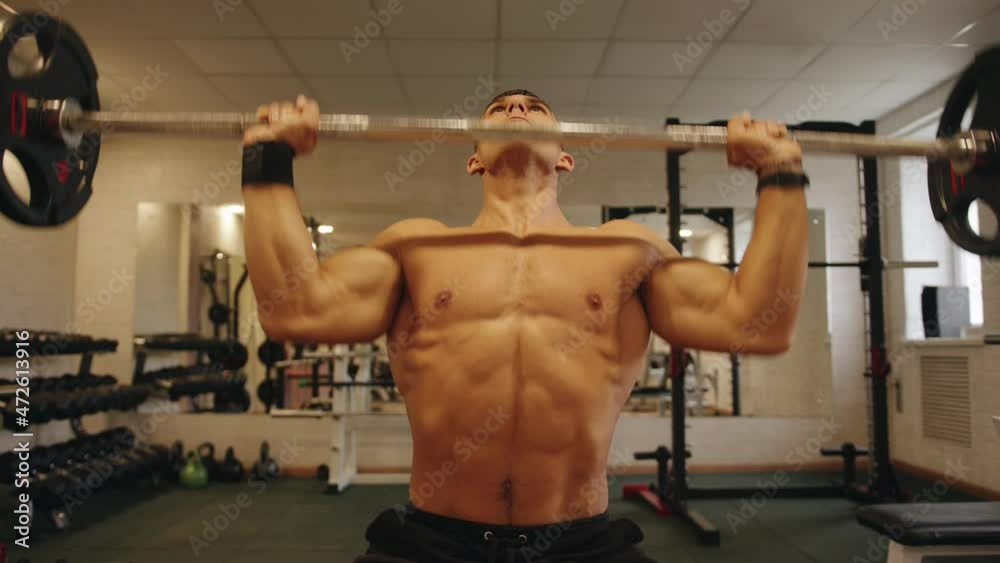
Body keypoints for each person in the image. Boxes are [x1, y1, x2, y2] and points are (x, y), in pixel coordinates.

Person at [239, 90, 809, 563]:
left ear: (565, 157)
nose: (516, 109)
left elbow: (756, 325)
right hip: (433, 539)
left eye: (533, 108)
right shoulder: (416, 246)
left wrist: (779, 169)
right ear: (474, 159)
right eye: (500, 108)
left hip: (579, 541)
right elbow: (298, 310)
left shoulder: (628, 250)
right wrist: (268, 156)